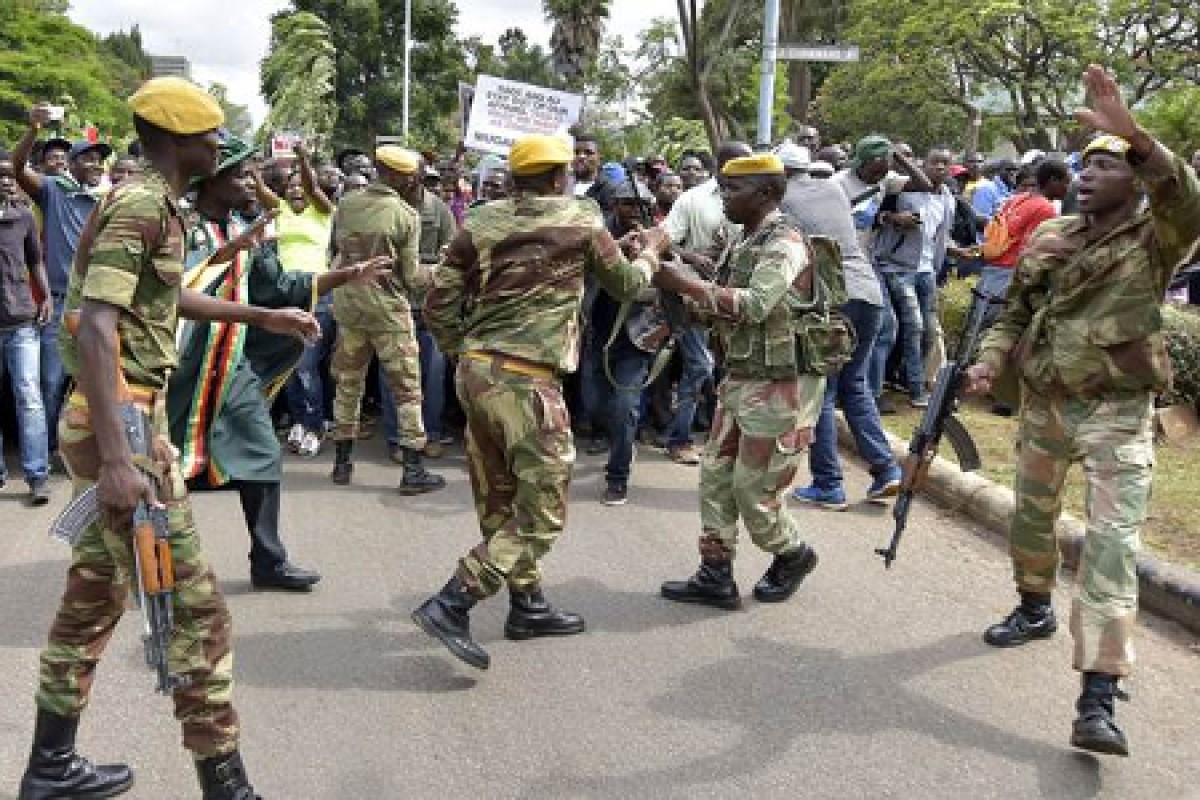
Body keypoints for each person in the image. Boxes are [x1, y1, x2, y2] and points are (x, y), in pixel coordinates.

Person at [16, 75, 320, 800]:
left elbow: (160, 295)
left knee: (93, 594)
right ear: (185, 141)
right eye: (215, 135)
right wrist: (121, 459)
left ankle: (50, 767)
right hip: (122, 416)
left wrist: (261, 318)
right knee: (198, 612)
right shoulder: (144, 203)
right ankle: (226, 785)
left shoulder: (151, 204)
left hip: (119, 413)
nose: (223, 146)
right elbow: (95, 322)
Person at [964, 65, 1200, 758]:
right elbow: (1015, 313)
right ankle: (1034, 605)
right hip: (1046, 408)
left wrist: (1134, 134)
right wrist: (990, 358)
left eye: (1109, 165)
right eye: (1084, 165)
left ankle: (1098, 693)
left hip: (1117, 414)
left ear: (1136, 179)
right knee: (1031, 520)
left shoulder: (1156, 238)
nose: (1090, 174)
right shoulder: (1049, 238)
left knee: (1110, 545)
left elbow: (1189, 198)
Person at [412, 134, 666, 670]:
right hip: (527, 381)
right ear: (558, 176)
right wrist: (650, 255)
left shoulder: (477, 221)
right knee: (542, 509)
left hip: (475, 374)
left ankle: (527, 604)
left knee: (499, 496)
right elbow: (623, 284)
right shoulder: (580, 217)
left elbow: (436, 300)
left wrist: (464, 349)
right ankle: (455, 599)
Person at [170, 134, 385, 592]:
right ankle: (148, 558)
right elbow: (173, 294)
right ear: (211, 179)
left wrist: (345, 275)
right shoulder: (181, 229)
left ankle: (268, 560)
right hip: (178, 369)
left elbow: (279, 287)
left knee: (263, 455)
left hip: (231, 368)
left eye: (253, 173)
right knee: (163, 469)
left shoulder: (246, 229)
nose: (253, 182)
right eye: (241, 174)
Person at [654, 153, 824, 611]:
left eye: (733, 190)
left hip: (781, 385)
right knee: (715, 477)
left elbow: (755, 305)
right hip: (743, 377)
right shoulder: (743, 239)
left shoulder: (784, 240)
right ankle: (715, 573)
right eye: (722, 188)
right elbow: (720, 302)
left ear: (766, 194)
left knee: (754, 490)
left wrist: (686, 286)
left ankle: (792, 553)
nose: (723, 197)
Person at [776, 147, 904, 510]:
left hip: (835, 298)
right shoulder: (832, 188)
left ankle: (829, 485)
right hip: (869, 292)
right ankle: (886, 470)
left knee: (822, 392)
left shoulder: (780, 201)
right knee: (856, 386)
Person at [327, 146, 444, 493]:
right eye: (411, 176)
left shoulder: (346, 205)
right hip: (388, 312)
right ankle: (412, 470)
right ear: (398, 176)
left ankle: (342, 463)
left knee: (348, 385)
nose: (415, 180)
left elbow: (339, 251)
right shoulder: (405, 215)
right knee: (407, 388)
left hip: (349, 305)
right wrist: (440, 269)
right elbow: (411, 277)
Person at [13, 112, 112, 466]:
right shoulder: (53, 191)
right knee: (52, 381)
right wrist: (34, 128)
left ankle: (100, 447)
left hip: (99, 303)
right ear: (70, 164)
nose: (95, 164)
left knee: (99, 379)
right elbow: (17, 164)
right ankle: (53, 451)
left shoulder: (109, 199)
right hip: (59, 305)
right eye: (87, 158)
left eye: (99, 159)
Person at [660, 141, 753, 466]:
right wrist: (693, 257)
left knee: (733, 369)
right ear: (723, 166)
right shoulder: (692, 199)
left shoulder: (755, 200)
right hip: (695, 294)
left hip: (737, 298)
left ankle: (726, 440)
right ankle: (679, 439)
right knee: (699, 365)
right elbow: (663, 239)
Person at [254, 142, 335, 458]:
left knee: (306, 365)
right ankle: (304, 421)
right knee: (291, 364)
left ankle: (313, 425)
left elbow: (313, 186)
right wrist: (256, 168)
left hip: (318, 294)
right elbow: (260, 190)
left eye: (301, 187)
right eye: (290, 187)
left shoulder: (323, 212)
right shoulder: (281, 211)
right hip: (286, 295)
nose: (296, 191)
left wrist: (302, 158)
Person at [380, 155, 456, 461]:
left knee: (433, 374)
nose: (407, 180)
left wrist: (422, 270)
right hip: (390, 303)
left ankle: (431, 434)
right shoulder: (384, 209)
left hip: (429, 306)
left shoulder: (438, 209)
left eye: (412, 175)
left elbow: (452, 256)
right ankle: (396, 438)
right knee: (392, 376)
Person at [872, 147, 958, 407]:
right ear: (923, 163)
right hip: (898, 268)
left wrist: (953, 255)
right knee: (913, 326)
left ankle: (906, 378)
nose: (940, 168)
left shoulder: (947, 197)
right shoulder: (903, 189)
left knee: (929, 331)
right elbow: (877, 215)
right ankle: (916, 390)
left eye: (945, 163)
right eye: (934, 162)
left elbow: (940, 236)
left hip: (927, 270)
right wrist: (894, 218)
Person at [597, 180, 661, 506]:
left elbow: (668, 286)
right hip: (595, 332)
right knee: (595, 405)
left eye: (640, 206)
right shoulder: (598, 233)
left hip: (635, 337)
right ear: (614, 206)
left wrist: (648, 260)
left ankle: (617, 476)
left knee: (625, 406)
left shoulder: (656, 237)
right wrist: (614, 250)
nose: (633, 211)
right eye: (627, 204)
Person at [0, 150, 53, 505]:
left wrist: (46, 296)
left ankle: (37, 476)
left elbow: (36, 261)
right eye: (0, 176)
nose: (6, 182)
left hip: (21, 320)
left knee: (30, 398)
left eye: (10, 176)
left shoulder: (22, 217)